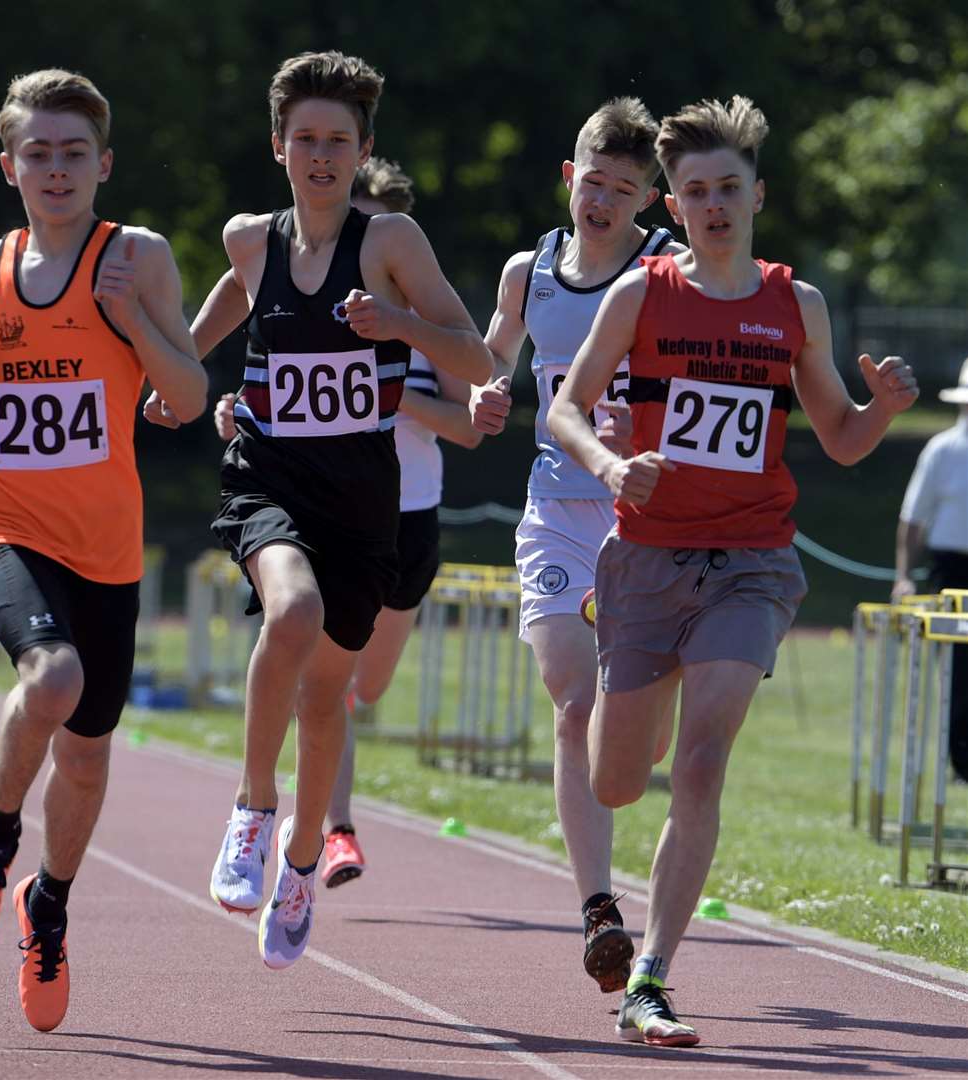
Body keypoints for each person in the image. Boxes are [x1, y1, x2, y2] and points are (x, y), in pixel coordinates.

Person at [548, 96, 917, 1047]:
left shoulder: (797, 306)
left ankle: (654, 979)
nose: (714, 205)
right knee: (620, 778)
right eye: (696, 191)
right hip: (646, 558)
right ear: (672, 206)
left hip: (753, 561)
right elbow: (565, 410)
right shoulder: (641, 297)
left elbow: (837, 438)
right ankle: (640, 660)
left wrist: (877, 408)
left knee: (704, 762)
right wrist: (609, 465)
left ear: (759, 195)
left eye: (729, 189)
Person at [148, 50, 490, 971]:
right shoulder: (249, 239)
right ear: (279, 147)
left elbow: (474, 359)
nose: (323, 156)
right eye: (306, 139)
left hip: (362, 499)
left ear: (363, 147)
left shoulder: (390, 244)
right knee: (290, 612)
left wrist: (397, 325)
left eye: (340, 140)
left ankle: (303, 863)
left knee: (329, 695)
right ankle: (253, 809)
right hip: (268, 476)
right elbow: (232, 299)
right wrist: (174, 368)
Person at [0, 69, 206, 1032]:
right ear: (10, 167)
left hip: (107, 549)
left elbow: (189, 395)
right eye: (38, 152)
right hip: (5, 525)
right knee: (51, 679)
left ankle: (49, 907)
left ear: (104, 164)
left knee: (84, 756)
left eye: (75, 152)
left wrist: (126, 323)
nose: (57, 168)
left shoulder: (139, 258)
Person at [209, 157, 483, 889]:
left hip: (398, 516)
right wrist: (226, 403)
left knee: (354, 689)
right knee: (304, 644)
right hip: (292, 493)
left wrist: (398, 378)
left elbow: (469, 409)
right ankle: (318, 828)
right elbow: (249, 355)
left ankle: (305, 842)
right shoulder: (274, 259)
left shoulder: (411, 302)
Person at [469, 98, 683, 995]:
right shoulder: (529, 272)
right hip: (557, 508)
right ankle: (599, 907)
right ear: (569, 175)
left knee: (637, 742)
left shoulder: (664, 273)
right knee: (570, 700)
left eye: (623, 190)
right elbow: (491, 361)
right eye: (592, 181)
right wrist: (484, 397)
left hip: (651, 522)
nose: (601, 201)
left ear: (648, 201)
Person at [893, 357, 968, 781]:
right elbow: (913, 519)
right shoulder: (943, 450)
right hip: (952, 568)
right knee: (959, 668)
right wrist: (904, 574)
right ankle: (960, 756)